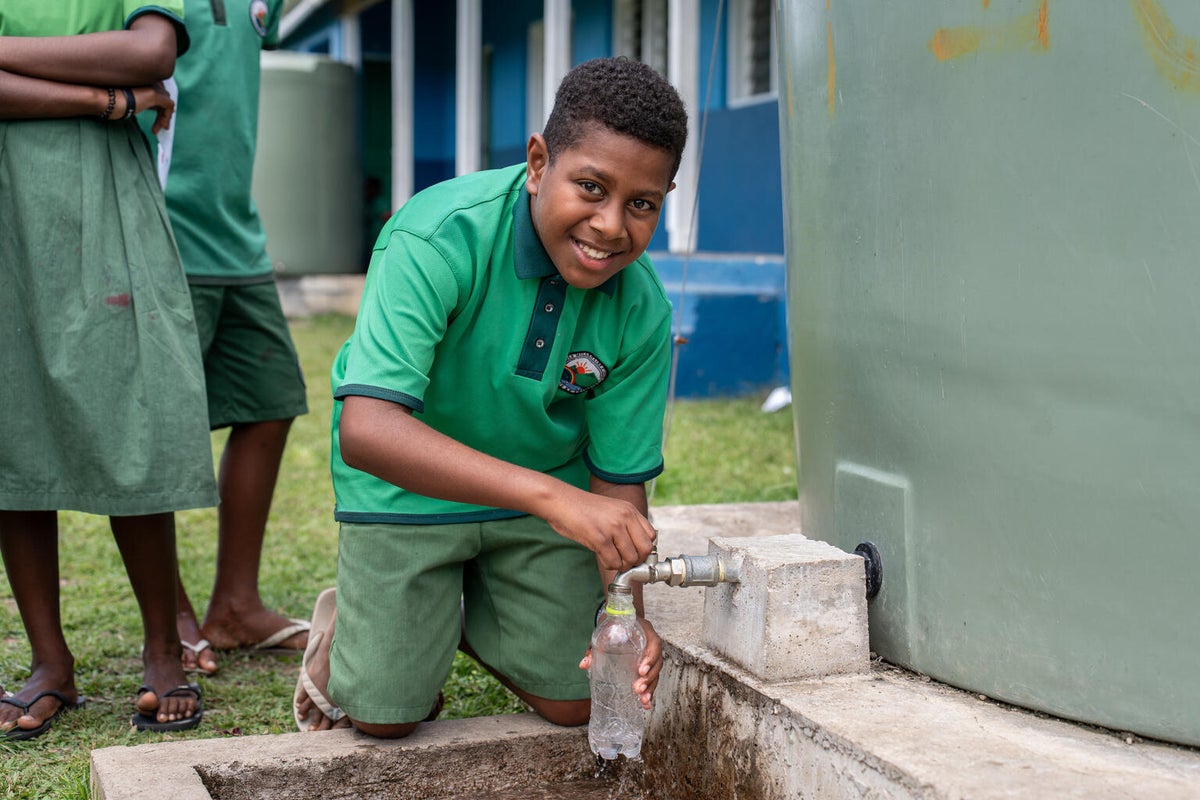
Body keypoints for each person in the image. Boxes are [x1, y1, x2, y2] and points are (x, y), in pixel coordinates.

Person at [293, 56, 688, 737]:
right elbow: (368, 429)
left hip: (539, 513)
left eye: (642, 204)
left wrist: (629, 618)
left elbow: (618, 488)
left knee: (581, 698)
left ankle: (463, 611)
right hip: (408, 493)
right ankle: (354, 630)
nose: (611, 225)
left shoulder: (642, 308)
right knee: (385, 718)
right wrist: (551, 497)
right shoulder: (436, 236)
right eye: (591, 187)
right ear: (539, 163)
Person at [0, 2, 215, 737]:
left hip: (105, 199)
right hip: (7, 205)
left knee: (131, 401)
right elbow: (125, 73)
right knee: (11, 412)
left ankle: (163, 649)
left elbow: (150, 54)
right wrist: (106, 99)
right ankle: (49, 663)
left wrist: (11, 54)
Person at [141, 0, 310, 678]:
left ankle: (235, 605)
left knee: (272, 401)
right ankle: (173, 613)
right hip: (161, 229)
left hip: (236, 235)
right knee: (157, 430)